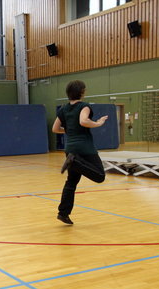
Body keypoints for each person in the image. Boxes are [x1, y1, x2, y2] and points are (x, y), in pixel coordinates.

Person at [52, 80, 108, 225]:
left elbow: (55, 128)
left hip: (70, 148)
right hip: (84, 148)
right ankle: (74, 161)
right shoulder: (84, 106)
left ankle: (63, 213)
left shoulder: (63, 109)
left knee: (71, 182)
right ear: (82, 92)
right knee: (100, 175)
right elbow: (84, 121)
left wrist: (69, 130)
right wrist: (98, 123)